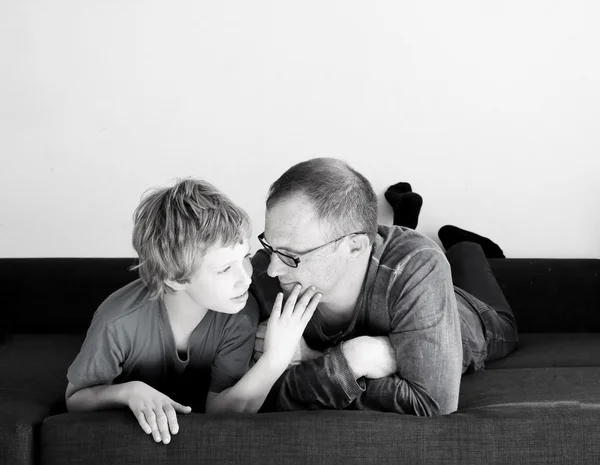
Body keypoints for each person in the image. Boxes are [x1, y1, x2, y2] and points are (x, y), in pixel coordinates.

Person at [251, 158, 519, 415]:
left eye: (291, 254)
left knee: (504, 324)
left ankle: (469, 248)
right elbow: (246, 398)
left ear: (354, 247)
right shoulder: (264, 273)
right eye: (269, 245)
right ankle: (404, 217)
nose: (273, 268)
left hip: (464, 316)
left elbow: (432, 404)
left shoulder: (418, 263)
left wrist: (331, 360)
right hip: (395, 277)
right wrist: (353, 362)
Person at [65, 178, 321, 444]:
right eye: (224, 269)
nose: (246, 278)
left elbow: (222, 412)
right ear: (175, 278)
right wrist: (129, 392)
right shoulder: (116, 322)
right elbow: (75, 400)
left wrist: (275, 359)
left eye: (245, 258)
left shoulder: (240, 315)